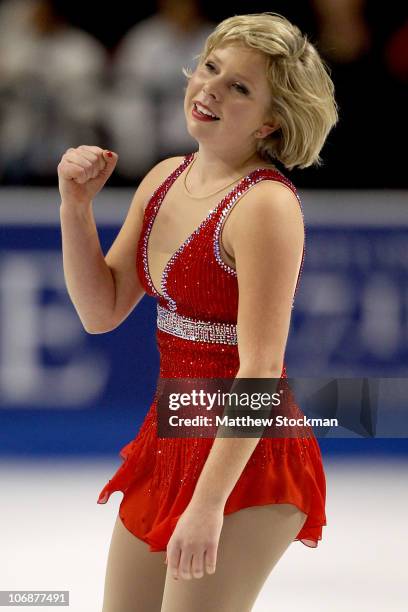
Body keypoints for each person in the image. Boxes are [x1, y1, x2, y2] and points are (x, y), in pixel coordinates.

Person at [57, 12, 338, 612]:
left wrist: (208, 504)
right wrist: (75, 208)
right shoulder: (163, 179)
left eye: (239, 86)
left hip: (249, 457)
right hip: (172, 434)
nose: (208, 89)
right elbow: (101, 310)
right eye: (210, 68)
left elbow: (261, 369)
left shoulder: (265, 206)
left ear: (271, 120)